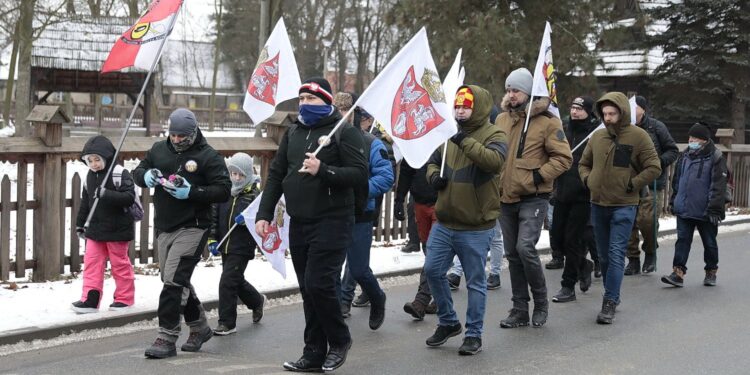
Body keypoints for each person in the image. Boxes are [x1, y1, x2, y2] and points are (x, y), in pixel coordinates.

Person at [255, 78, 367, 373]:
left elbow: (358, 174)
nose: (304, 104)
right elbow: (277, 175)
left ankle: (339, 340)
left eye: (311, 99)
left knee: (319, 283)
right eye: (301, 99)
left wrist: (324, 170)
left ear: (327, 101)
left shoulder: (344, 132)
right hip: (300, 221)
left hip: (333, 219)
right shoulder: (293, 132)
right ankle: (313, 351)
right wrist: (263, 214)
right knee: (308, 288)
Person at [134, 108, 231, 358]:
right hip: (165, 226)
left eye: (182, 136)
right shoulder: (159, 150)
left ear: (193, 132)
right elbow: (138, 172)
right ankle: (199, 328)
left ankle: (166, 337)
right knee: (173, 278)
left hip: (194, 226)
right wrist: (146, 176)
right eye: (173, 135)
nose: (177, 140)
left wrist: (192, 192)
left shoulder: (208, 156)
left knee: (174, 282)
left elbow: (223, 189)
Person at [423, 85, 507, 355]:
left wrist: (463, 140)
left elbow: (494, 162)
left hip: (476, 225)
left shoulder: (495, 133)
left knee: (474, 283)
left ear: (478, 107)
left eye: (465, 106)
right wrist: (433, 176)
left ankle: (474, 335)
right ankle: (448, 322)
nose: (459, 110)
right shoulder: (449, 134)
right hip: (445, 221)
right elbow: (433, 162)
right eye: (457, 106)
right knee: (432, 271)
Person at [496, 68, 572, 329]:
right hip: (506, 198)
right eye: (508, 90)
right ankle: (519, 308)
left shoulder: (548, 122)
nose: (511, 95)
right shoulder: (502, 120)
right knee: (512, 254)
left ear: (528, 92)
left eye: (516, 90)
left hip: (533, 197)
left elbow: (564, 158)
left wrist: (538, 176)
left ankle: (541, 302)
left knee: (524, 248)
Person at [579, 92, 661, 324]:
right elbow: (584, 163)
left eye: (612, 113)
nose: (608, 118)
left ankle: (609, 301)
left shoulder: (639, 136)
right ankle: (611, 292)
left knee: (615, 253)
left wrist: (632, 184)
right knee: (603, 256)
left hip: (624, 205)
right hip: (598, 204)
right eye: (604, 114)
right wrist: (588, 180)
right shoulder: (597, 137)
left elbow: (654, 167)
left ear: (622, 112)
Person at [337, 107, 394, 330]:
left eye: (347, 112)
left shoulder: (372, 143)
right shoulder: (331, 140)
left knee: (359, 268)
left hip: (360, 213)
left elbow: (386, 177)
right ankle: (338, 304)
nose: (342, 117)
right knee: (329, 266)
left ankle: (377, 296)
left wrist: (359, 190)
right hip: (333, 213)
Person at [71, 135, 136, 313]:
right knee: (92, 263)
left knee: (119, 264)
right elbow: (86, 203)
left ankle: (124, 299)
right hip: (95, 230)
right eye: (90, 160)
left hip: (117, 229)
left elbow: (129, 197)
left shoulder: (119, 173)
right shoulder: (89, 177)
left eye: (97, 160)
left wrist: (107, 194)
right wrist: (80, 224)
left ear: (107, 157)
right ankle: (90, 299)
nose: (94, 164)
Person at [207, 152, 266, 335]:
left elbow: (259, 221)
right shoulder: (225, 193)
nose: (237, 178)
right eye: (233, 174)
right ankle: (256, 301)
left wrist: (247, 220)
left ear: (248, 175)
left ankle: (227, 322)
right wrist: (212, 239)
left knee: (227, 282)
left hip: (242, 246)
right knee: (235, 280)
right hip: (225, 243)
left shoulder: (253, 197)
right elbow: (214, 217)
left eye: (240, 175)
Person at [662, 122, 727, 287]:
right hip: (684, 208)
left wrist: (714, 209)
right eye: (690, 137)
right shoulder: (684, 156)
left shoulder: (716, 157)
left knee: (709, 242)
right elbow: (677, 181)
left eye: (695, 138)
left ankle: (711, 271)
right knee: (682, 240)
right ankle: (678, 273)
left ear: (704, 140)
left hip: (706, 210)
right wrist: (674, 201)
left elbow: (718, 186)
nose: (691, 140)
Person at [550, 96, 599, 303]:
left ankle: (568, 285)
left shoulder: (595, 134)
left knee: (572, 240)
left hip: (582, 195)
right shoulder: (563, 129)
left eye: (580, 108)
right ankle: (584, 265)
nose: (575, 111)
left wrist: (587, 183)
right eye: (572, 107)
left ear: (588, 112)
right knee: (557, 239)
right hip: (561, 192)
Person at [625, 96, 679, 275]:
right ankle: (632, 259)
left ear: (643, 109)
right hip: (628, 182)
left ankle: (650, 252)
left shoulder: (656, 127)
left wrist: (656, 164)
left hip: (652, 182)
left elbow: (672, 150)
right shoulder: (623, 128)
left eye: (634, 107)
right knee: (628, 221)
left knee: (647, 220)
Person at [395, 161, 439, 320]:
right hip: (420, 201)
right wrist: (399, 198)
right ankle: (441, 296)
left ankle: (421, 300)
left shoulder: (446, 138)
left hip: (440, 202)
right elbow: (407, 170)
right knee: (428, 250)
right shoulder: (416, 140)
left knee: (434, 251)